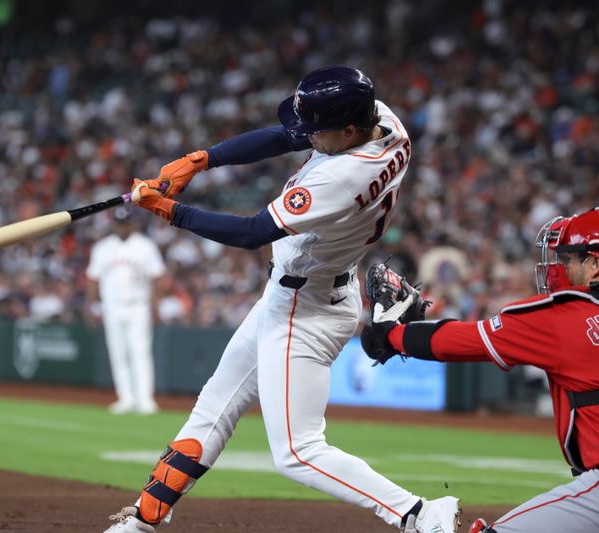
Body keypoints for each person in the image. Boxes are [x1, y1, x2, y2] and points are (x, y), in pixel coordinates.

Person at [104, 66, 461, 533]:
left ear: (350, 130)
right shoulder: (384, 123)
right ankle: (143, 521)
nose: (308, 136)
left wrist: (171, 211)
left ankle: (419, 513)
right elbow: (283, 136)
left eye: (319, 129)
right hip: (297, 293)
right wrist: (201, 159)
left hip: (306, 309)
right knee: (213, 408)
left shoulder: (344, 177)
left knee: (298, 452)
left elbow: (253, 232)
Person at [361, 207, 599, 533]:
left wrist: (392, 334)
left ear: (595, 264)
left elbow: (465, 341)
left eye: (569, 259)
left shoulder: (568, 317)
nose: (560, 269)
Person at [86, 207, 165, 415]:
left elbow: (155, 278)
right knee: (118, 353)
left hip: (139, 305)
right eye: (119, 223)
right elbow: (94, 279)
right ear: (114, 224)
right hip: (111, 305)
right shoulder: (102, 248)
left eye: (126, 222)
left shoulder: (145, 246)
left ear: (133, 224)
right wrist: (90, 306)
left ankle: (145, 399)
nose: (123, 226)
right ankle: (125, 398)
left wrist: (156, 307)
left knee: (140, 352)